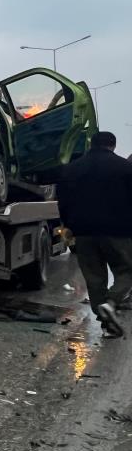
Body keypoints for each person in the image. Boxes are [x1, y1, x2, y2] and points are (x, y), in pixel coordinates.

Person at [58, 131, 132, 338]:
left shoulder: (72, 169)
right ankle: (112, 302)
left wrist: (69, 226)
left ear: (92, 144)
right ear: (113, 146)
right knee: (127, 270)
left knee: (94, 277)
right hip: (119, 231)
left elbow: (62, 201)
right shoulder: (125, 168)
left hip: (84, 232)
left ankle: (106, 322)